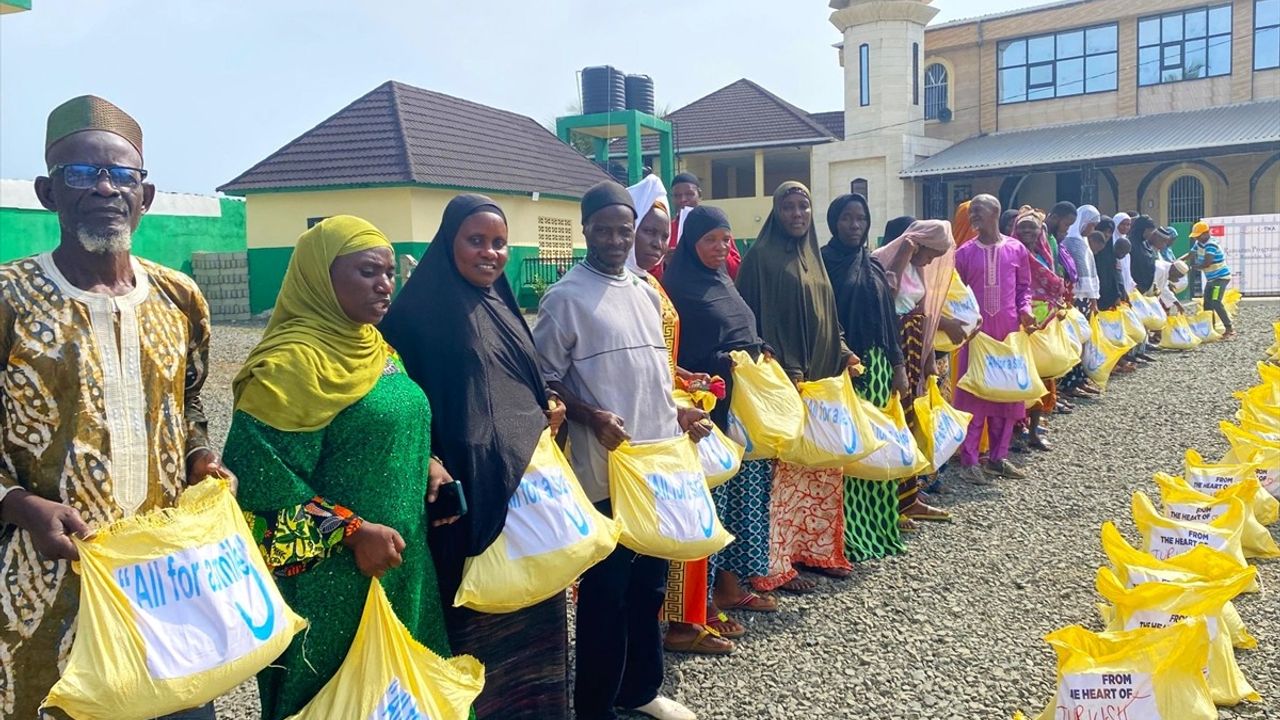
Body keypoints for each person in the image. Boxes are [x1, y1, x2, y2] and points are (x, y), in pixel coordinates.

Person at [0, 95, 228, 720]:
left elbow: (189, 401)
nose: (105, 188)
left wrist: (201, 456)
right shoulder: (8, 296)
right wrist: (21, 505)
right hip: (45, 581)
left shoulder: (179, 297)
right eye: (82, 174)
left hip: (163, 579)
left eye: (122, 175)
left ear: (145, 195)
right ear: (49, 191)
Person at [227, 216, 461, 720]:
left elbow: (393, 423)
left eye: (389, 273)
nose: (384, 284)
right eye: (366, 272)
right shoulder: (288, 366)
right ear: (319, 278)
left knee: (406, 697)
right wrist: (353, 532)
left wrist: (428, 463)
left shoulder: (378, 349)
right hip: (329, 583)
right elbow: (261, 482)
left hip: (401, 564)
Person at [378, 195, 571, 719]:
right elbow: (402, 403)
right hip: (463, 506)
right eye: (477, 240)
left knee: (536, 628)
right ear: (448, 242)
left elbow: (519, 383)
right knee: (474, 638)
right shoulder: (418, 314)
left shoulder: (502, 304)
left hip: (526, 504)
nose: (491, 253)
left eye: (500, 242)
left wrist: (546, 408)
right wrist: (429, 459)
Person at [532, 180, 707, 720]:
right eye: (603, 229)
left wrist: (678, 411)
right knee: (607, 591)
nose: (614, 238)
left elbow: (651, 373)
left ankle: (641, 690)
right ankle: (595, 705)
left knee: (648, 586)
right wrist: (590, 416)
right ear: (585, 229)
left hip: (656, 464)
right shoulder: (564, 298)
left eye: (622, 229)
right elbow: (544, 382)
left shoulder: (645, 290)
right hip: (603, 469)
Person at [621, 175, 735, 657]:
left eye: (661, 233)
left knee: (687, 523)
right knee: (666, 528)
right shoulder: (618, 289)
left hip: (674, 417)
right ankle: (674, 627)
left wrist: (686, 377)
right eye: (645, 231)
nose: (655, 243)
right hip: (646, 429)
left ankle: (684, 621)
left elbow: (658, 357)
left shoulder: (650, 284)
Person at [736, 181, 859, 593]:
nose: (796, 215)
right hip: (784, 383)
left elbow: (830, 316)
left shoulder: (815, 258)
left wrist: (844, 352)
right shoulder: (759, 260)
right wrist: (779, 367)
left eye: (803, 207)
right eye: (788, 207)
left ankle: (818, 552)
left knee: (820, 464)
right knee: (784, 476)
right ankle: (779, 563)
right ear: (776, 212)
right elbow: (748, 324)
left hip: (822, 382)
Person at [662, 205, 781, 629]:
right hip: (707, 411)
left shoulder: (722, 281)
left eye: (725, 239)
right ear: (692, 243)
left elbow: (739, 326)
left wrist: (758, 346)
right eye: (710, 239)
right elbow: (679, 352)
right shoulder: (678, 287)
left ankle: (731, 584)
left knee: (741, 499)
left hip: (740, 410)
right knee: (712, 505)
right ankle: (701, 601)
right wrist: (722, 362)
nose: (720, 247)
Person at [821, 194, 914, 555]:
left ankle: (879, 526)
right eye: (846, 218)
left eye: (860, 218)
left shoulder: (872, 265)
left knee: (879, 446)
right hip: (845, 369)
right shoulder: (824, 264)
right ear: (833, 222)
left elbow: (889, 322)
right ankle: (848, 536)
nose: (854, 225)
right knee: (852, 449)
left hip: (876, 370)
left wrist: (898, 366)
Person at [869, 220, 965, 505]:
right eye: (930, 253)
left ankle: (911, 493)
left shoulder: (919, 266)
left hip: (912, 345)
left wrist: (926, 360)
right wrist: (903, 254)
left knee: (911, 414)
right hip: (892, 343)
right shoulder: (885, 258)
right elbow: (887, 295)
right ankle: (894, 496)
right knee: (894, 414)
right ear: (918, 243)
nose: (931, 260)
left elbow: (922, 312)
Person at [951, 195, 1035, 483]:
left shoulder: (1016, 249)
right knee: (974, 397)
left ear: (995, 213)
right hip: (976, 338)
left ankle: (999, 459)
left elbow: (1025, 288)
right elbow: (956, 294)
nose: (973, 215)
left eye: (978, 210)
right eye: (971, 210)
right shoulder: (963, 253)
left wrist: (1025, 311)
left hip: (1008, 336)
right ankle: (970, 460)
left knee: (1007, 397)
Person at [1012, 206, 1068, 449]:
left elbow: (1055, 283)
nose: (1027, 230)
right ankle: (1015, 429)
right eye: (1022, 226)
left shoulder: (1045, 254)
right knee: (1019, 375)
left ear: (1040, 231)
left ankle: (1034, 429)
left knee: (1042, 376)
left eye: (1031, 227)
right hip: (1019, 320)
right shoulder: (1011, 252)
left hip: (1044, 322)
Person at [659, 172, 740, 280]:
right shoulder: (667, 230)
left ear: (700, 195)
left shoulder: (715, 228)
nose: (683, 199)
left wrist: (717, 252)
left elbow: (736, 271)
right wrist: (666, 262)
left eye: (689, 194)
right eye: (677, 196)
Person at [1059, 204, 1102, 398]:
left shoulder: (1081, 240)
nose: (1091, 230)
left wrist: (1093, 297)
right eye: (1091, 225)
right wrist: (1091, 297)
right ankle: (1070, 382)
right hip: (1076, 297)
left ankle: (1080, 377)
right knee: (1075, 339)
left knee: (1082, 339)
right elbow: (1081, 273)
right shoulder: (1073, 242)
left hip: (1085, 298)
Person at [1186, 221, 1235, 339]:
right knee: (1207, 304)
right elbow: (1191, 254)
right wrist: (1179, 261)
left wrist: (1193, 267)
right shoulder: (1199, 243)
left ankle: (1229, 329)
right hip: (1211, 279)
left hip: (1220, 279)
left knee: (1215, 301)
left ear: (1206, 233)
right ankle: (1210, 328)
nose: (1197, 238)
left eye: (1199, 235)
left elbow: (1207, 262)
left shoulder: (1211, 244)